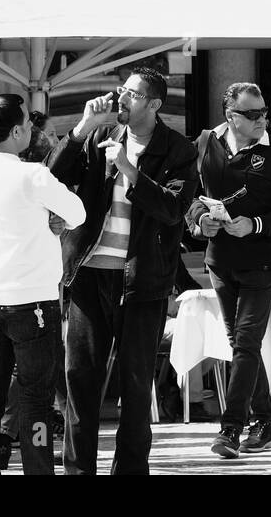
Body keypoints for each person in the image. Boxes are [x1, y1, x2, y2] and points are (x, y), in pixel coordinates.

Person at [49, 67, 199, 475]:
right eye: (121, 91)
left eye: (132, 94)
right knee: (80, 379)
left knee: (135, 387)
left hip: (142, 279)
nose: (121, 99)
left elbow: (172, 210)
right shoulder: (100, 136)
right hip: (89, 273)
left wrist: (131, 171)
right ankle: (79, 470)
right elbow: (51, 178)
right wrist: (82, 127)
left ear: (153, 103)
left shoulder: (178, 150)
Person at [0, 95, 86, 475]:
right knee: (35, 400)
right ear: (15, 131)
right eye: (28, 127)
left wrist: (45, 216)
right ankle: (38, 469)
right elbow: (77, 213)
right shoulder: (32, 174)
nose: (31, 132)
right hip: (31, 300)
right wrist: (51, 215)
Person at [186, 82, 271, 459]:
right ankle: (267, 422)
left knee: (247, 340)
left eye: (264, 112)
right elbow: (187, 194)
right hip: (220, 260)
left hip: (264, 260)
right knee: (240, 344)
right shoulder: (206, 144)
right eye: (252, 114)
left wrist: (254, 224)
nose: (261, 120)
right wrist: (200, 219)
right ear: (230, 116)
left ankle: (231, 428)